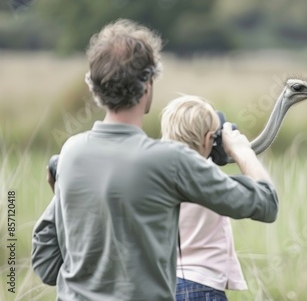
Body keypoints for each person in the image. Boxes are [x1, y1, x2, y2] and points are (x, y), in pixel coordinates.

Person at [31, 19, 278, 301]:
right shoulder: (170, 161)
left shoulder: (71, 154)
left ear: (95, 86)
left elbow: (46, 266)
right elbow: (266, 204)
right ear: (147, 84)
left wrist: (62, 193)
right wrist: (240, 149)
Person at [160, 95, 249, 300]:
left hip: (165, 283)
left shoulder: (158, 176)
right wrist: (234, 148)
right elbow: (261, 198)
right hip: (202, 284)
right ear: (209, 140)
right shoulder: (209, 177)